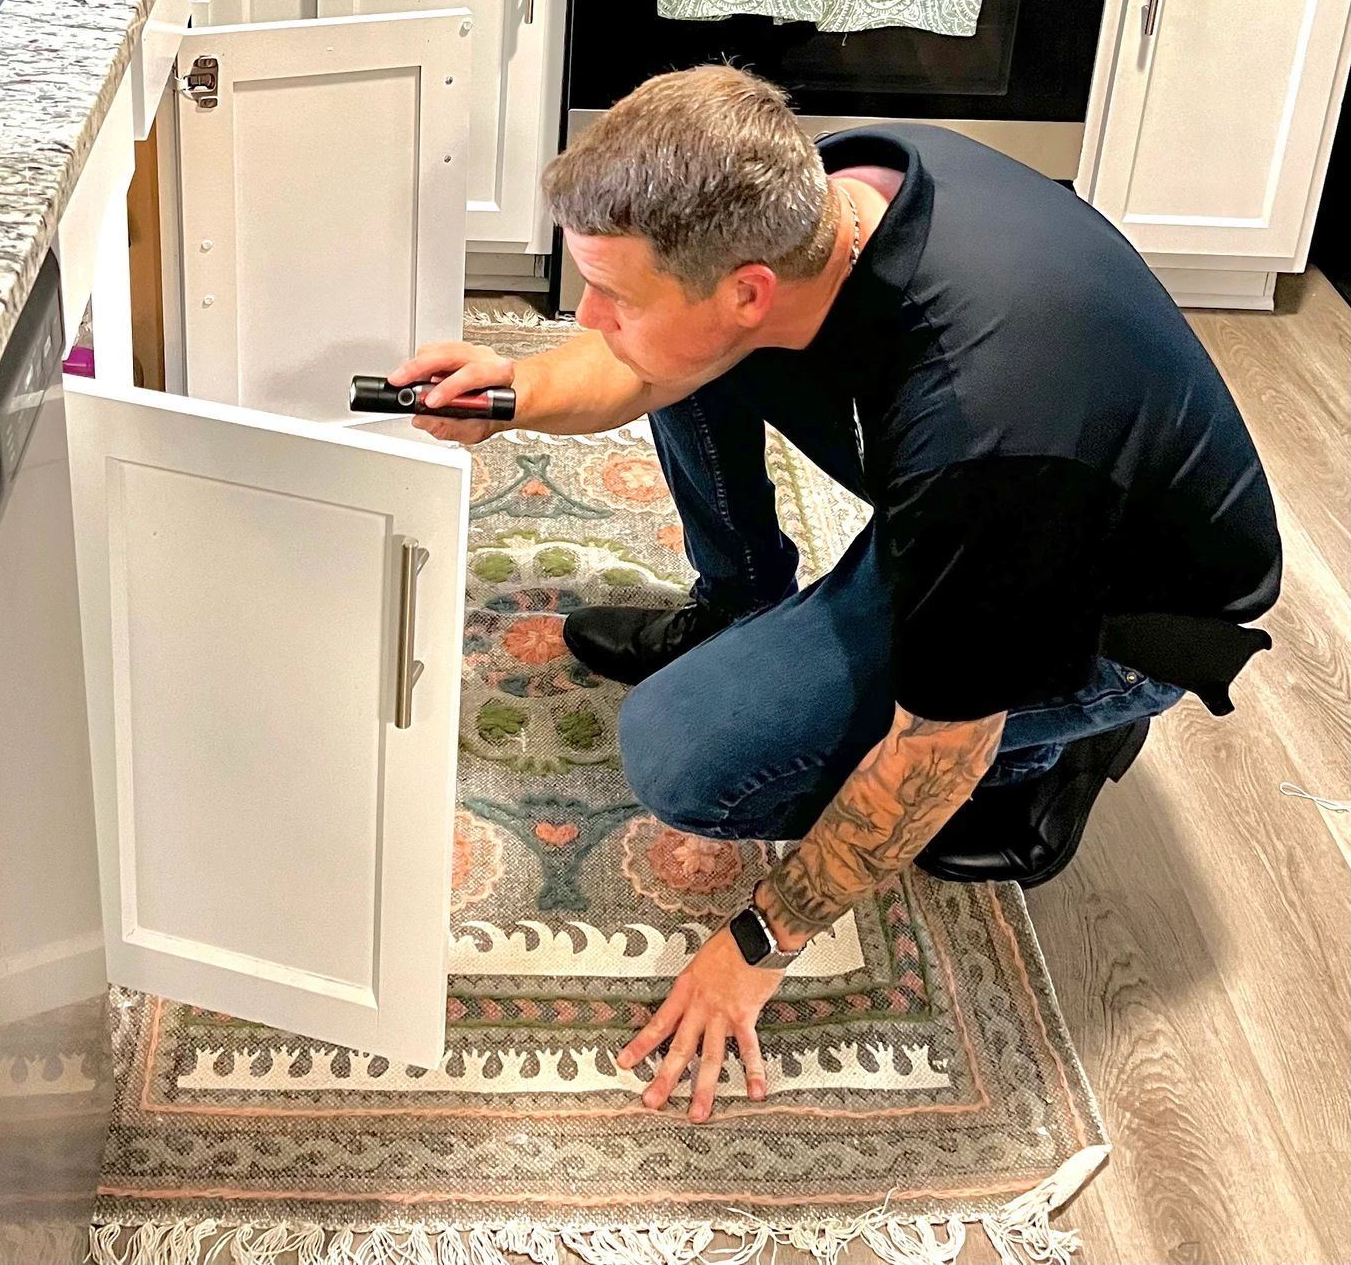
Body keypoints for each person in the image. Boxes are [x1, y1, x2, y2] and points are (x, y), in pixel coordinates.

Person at [390, 66, 1280, 1124]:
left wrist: (757, 942)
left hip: (1109, 610)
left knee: (684, 755)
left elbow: (931, 749)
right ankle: (739, 600)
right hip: (981, 519)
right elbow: (639, 364)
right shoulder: (828, 189)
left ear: (748, 290)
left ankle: (1049, 748)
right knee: (680, 360)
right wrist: (509, 389)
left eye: (612, 292)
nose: (584, 317)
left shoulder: (982, 430)